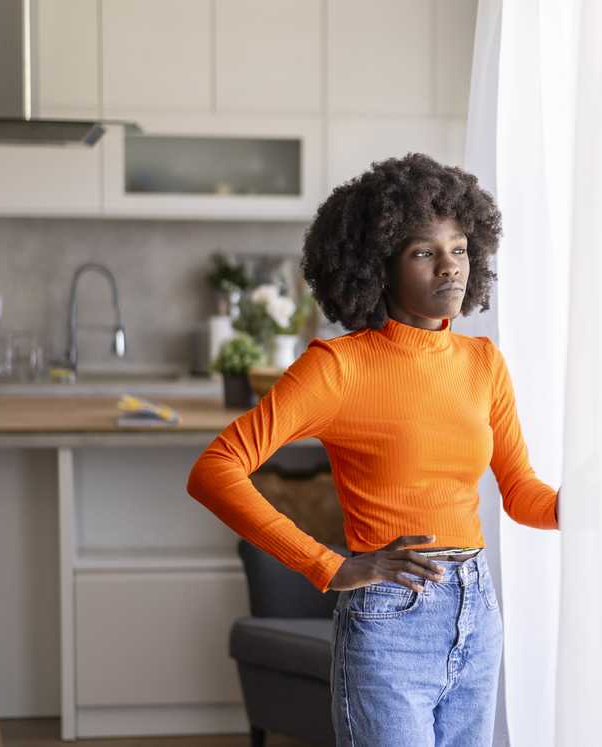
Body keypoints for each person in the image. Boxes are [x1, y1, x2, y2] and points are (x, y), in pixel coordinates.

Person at [185, 152, 561, 746]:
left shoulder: (482, 363)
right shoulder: (337, 368)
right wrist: (330, 566)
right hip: (391, 623)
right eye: (423, 252)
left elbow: (521, 495)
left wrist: (589, 503)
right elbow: (214, 470)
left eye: (460, 248)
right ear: (376, 266)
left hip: (477, 612)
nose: (450, 268)